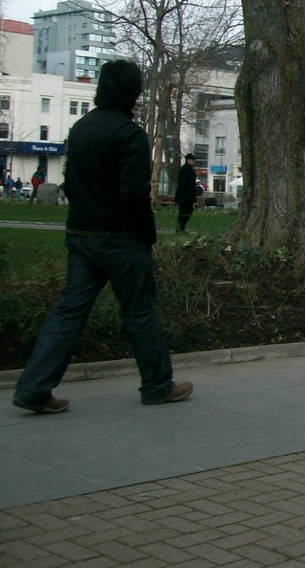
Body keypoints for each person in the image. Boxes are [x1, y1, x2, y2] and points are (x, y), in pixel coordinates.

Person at [13, 60, 193, 413]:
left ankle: (34, 387)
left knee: (68, 314)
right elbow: (133, 195)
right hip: (120, 237)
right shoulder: (129, 134)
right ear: (133, 93)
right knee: (140, 312)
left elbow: (73, 182)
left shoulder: (80, 129)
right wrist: (148, 234)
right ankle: (157, 385)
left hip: (81, 234)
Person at [174, 153, 199, 232]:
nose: (194, 162)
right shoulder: (184, 169)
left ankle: (182, 227)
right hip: (184, 195)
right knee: (183, 212)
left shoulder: (190, 169)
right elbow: (183, 183)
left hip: (188, 195)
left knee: (188, 211)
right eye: (192, 160)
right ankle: (180, 227)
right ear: (188, 160)